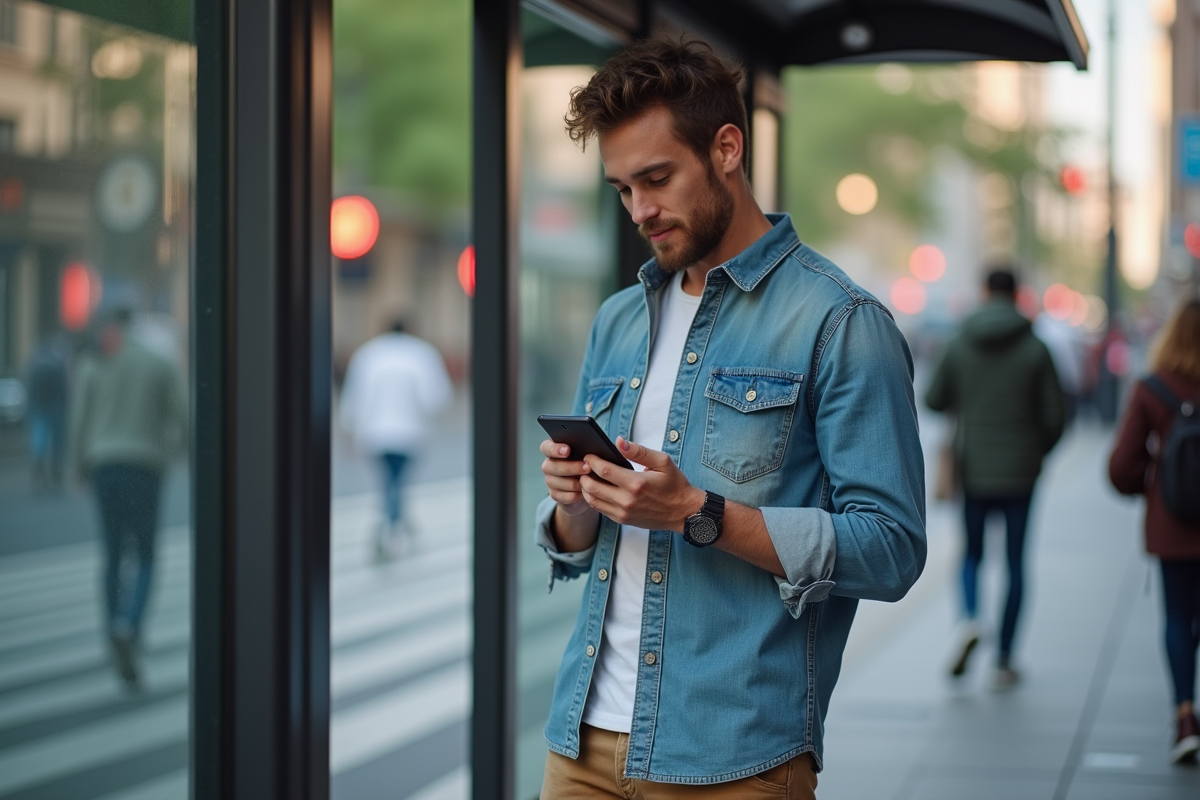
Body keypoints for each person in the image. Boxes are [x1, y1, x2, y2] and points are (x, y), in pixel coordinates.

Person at [535, 39, 926, 798]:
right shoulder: (618, 320)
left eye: (656, 179)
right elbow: (582, 544)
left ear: (726, 149)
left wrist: (696, 512)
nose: (640, 210)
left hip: (736, 758)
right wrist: (573, 504)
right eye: (621, 189)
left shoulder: (841, 322)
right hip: (580, 744)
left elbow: (892, 548)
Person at [925, 268, 1065, 689]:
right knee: (1016, 563)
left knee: (971, 553)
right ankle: (1004, 658)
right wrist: (1034, 452)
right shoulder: (1036, 348)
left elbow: (933, 399)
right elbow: (1056, 416)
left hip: (974, 469)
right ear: (1017, 294)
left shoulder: (961, 341)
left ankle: (969, 618)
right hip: (1021, 473)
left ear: (985, 292)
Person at [69, 307, 188, 689]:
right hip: (145, 465)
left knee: (113, 552)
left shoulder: (95, 361)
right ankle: (130, 624)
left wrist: (77, 466)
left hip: (103, 463)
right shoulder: (158, 363)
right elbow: (183, 416)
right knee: (147, 554)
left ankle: (112, 628)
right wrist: (175, 453)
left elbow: (79, 418)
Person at [1108, 298, 1200, 764]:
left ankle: (1185, 715)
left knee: (1177, 618)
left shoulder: (1153, 388)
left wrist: (1150, 482)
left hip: (1174, 523)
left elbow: (1122, 465)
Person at [339, 317, 452, 559]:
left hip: (374, 432)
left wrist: (348, 428)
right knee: (396, 480)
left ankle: (396, 519)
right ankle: (389, 524)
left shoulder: (368, 354)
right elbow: (435, 396)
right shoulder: (421, 354)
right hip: (409, 432)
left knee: (390, 480)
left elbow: (355, 395)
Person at [24, 335, 70, 490]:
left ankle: (39, 464)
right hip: (56, 406)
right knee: (57, 442)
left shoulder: (35, 362)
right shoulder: (58, 362)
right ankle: (56, 472)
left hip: (39, 406)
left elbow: (28, 385)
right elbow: (64, 387)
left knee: (40, 438)